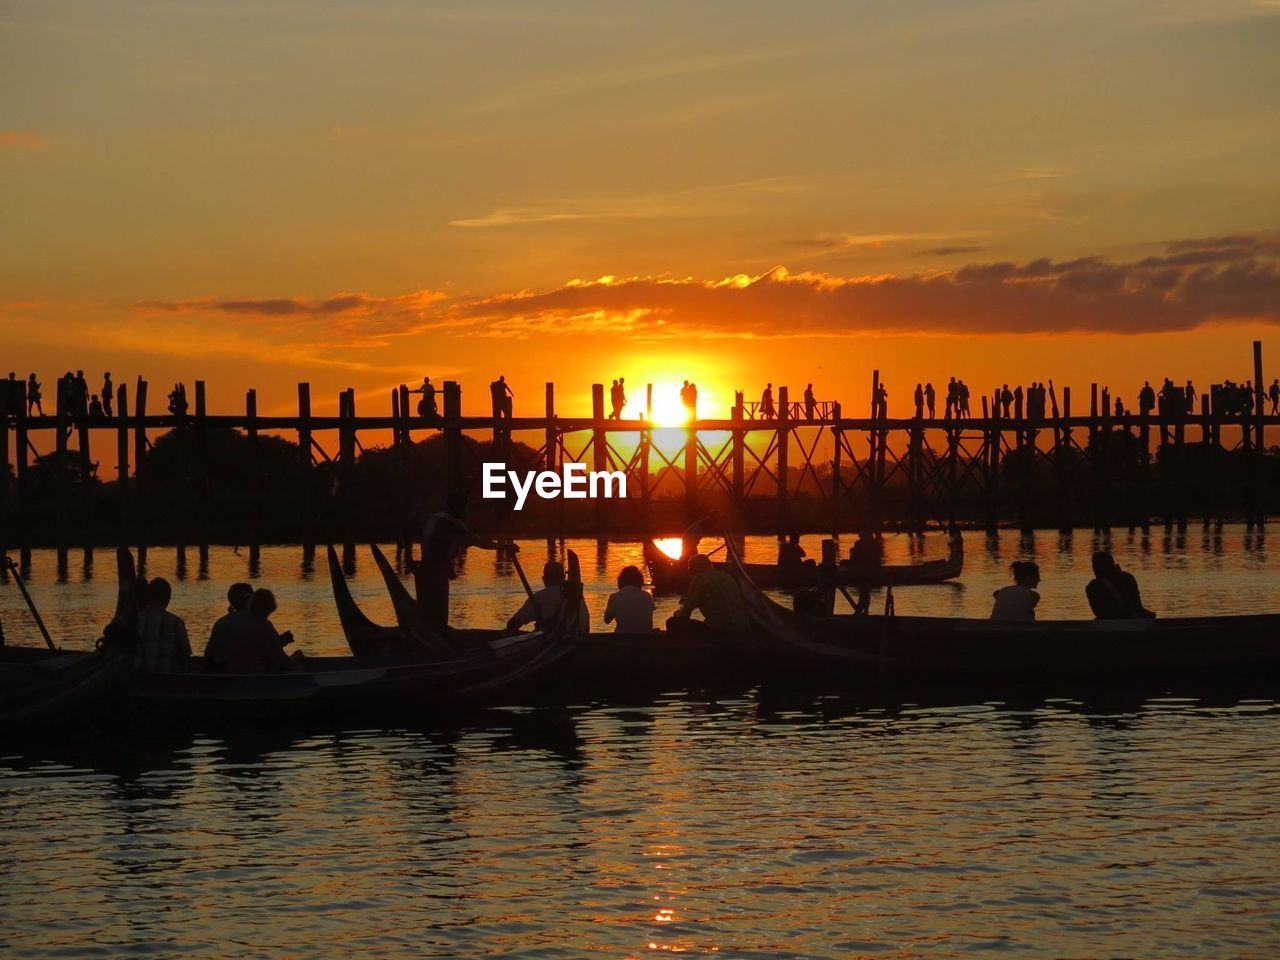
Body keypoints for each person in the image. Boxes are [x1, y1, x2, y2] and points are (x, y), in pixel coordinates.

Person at [418, 491, 503, 631]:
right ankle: (438, 640)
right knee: (439, 616)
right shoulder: (453, 524)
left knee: (427, 612)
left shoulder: (431, 518)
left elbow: (408, 530)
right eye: (466, 508)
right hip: (437, 573)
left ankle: (428, 636)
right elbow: (478, 541)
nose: (467, 512)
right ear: (460, 508)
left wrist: (408, 557)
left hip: (423, 572)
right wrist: (502, 546)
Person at [225, 589, 300, 673]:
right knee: (299, 658)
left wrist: (280, 642)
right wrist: (293, 660)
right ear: (271, 606)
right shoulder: (265, 625)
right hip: (258, 672)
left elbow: (255, 646)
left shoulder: (240, 623)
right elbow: (279, 659)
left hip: (236, 670)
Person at [668, 554, 749, 632]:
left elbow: (685, 615)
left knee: (672, 622)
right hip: (742, 626)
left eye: (690, 569)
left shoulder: (698, 579)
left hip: (722, 630)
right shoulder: (726, 576)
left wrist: (678, 614)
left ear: (693, 568)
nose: (690, 573)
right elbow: (715, 598)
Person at [507, 560, 589, 633]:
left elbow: (513, 624)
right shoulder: (578, 597)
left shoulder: (540, 597)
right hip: (577, 640)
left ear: (544, 579)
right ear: (564, 578)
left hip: (550, 642)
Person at [134, 577, 192, 673]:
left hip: (137, 681)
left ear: (147, 596)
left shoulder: (133, 621)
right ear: (167, 599)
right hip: (167, 682)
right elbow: (186, 659)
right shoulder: (176, 623)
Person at [1086, 551, 1155, 620]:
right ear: (1112, 564)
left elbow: (1099, 612)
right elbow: (1136, 605)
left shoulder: (1093, 587)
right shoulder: (1127, 577)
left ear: (1095, 568)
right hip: (1134, 619)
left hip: (1111, 623)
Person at [204, 582, 253, 672]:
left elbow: (208, 654)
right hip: (249, 671)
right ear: (249, 599)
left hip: (224, 671)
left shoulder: (221, 622)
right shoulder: (259, 622)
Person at [603, 565, 654, 633]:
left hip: (623, 639)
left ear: (621, 580)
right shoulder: (647, 596)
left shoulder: (615, 597)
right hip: (645, 638)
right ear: (640, 580)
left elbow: (607, 620)